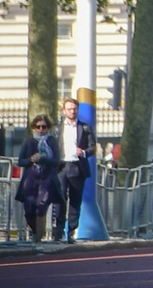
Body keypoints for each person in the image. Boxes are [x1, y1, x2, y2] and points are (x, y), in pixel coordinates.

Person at [51, 98, 94, 244]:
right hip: (61, 167)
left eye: (74, 108)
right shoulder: (57, 129)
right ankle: (58, 230)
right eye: (69, 109)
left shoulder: (85, 128)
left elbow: (93, 147)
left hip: (77, 167)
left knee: (75, 201)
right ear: (64, 111)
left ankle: (71, 231)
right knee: (60, 200)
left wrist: (84, 152)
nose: (72, 111)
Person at [15, 114, 61, 241]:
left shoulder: (52, 141)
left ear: (48, 127)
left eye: (44, 127)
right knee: (29, 209)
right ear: (34, 127)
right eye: (38, 126)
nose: (41, 129)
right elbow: (20, 161)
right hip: (31, 178)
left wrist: (44, 159)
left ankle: (38, 237)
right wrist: (31, 159)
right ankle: (34, 230)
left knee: (42, 206)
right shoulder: (29, 141)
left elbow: (57, 161)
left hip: (47, 178)